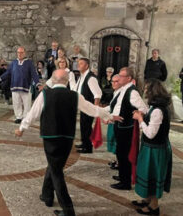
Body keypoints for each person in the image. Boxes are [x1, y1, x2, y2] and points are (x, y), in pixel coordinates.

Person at [15, 69, 112, 216]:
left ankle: (68, 210)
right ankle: (47, 195)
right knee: (54, 165)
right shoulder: (75, 95)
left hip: (50, 137)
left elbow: (33, 113)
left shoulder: (45, 94)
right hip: (67, 137)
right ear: (67, 81)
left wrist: (22, 127)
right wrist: (109, 115)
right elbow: (92, 110)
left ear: (53, 80)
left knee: (56, 170)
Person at [132, 78, 172, 215]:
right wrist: (144, 115)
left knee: (153, 176)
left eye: (147, 89)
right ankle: (148, 199)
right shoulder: (154, 107)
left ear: (153, 91)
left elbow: (150, 134)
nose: (144, 91)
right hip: (151, 148)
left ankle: (154, 207)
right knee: (147, 174)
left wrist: (140, 119)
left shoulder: (158, 111)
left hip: (156, 150)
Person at [110, 67, 148, 190]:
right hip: (119, 126)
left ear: (129, 78)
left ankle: (125, 182)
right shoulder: (122, 90)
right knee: (120, 154)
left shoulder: (132, 92)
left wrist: (133, 116)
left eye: (121, 76)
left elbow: (144, 109)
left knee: (124, 155)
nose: (119, 77)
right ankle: (122, 176)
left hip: (126, 128)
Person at [0, 47, 41, 124]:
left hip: (26, 87)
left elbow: (34, 74)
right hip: (15, 86)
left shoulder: (29, 63)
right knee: (16, 103)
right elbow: (8, 73)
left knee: (27, 104)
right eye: (18, 52)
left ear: (25, 53)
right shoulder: (14, 62)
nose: (19, 54)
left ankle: (26, 118)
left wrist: (38, 84)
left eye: (21, 52)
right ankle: (18, 117)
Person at [73, 58, 102, 153]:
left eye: (81, 64)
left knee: (87, 126)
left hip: (89, 106)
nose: (78, 65)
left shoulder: (91, 78)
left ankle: (88, 147)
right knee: (83, 125)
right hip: (83, 106)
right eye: (78, 63)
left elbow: (97, 94)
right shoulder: (82, 76)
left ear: (86, 66)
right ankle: (84, 143)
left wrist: (95, 108)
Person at [104, 74, 122, 170]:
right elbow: (112, 106)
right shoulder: (116, 92)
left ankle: (120, 163)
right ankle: (118, 161)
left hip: (117, 121)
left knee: (117, 142)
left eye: (116, 81)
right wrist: (100, 110)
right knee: (113, 140)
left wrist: (108, 117)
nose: (113, 83)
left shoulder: (121, 93)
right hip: (113, 120)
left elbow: (117, 110)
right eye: (112, 81)